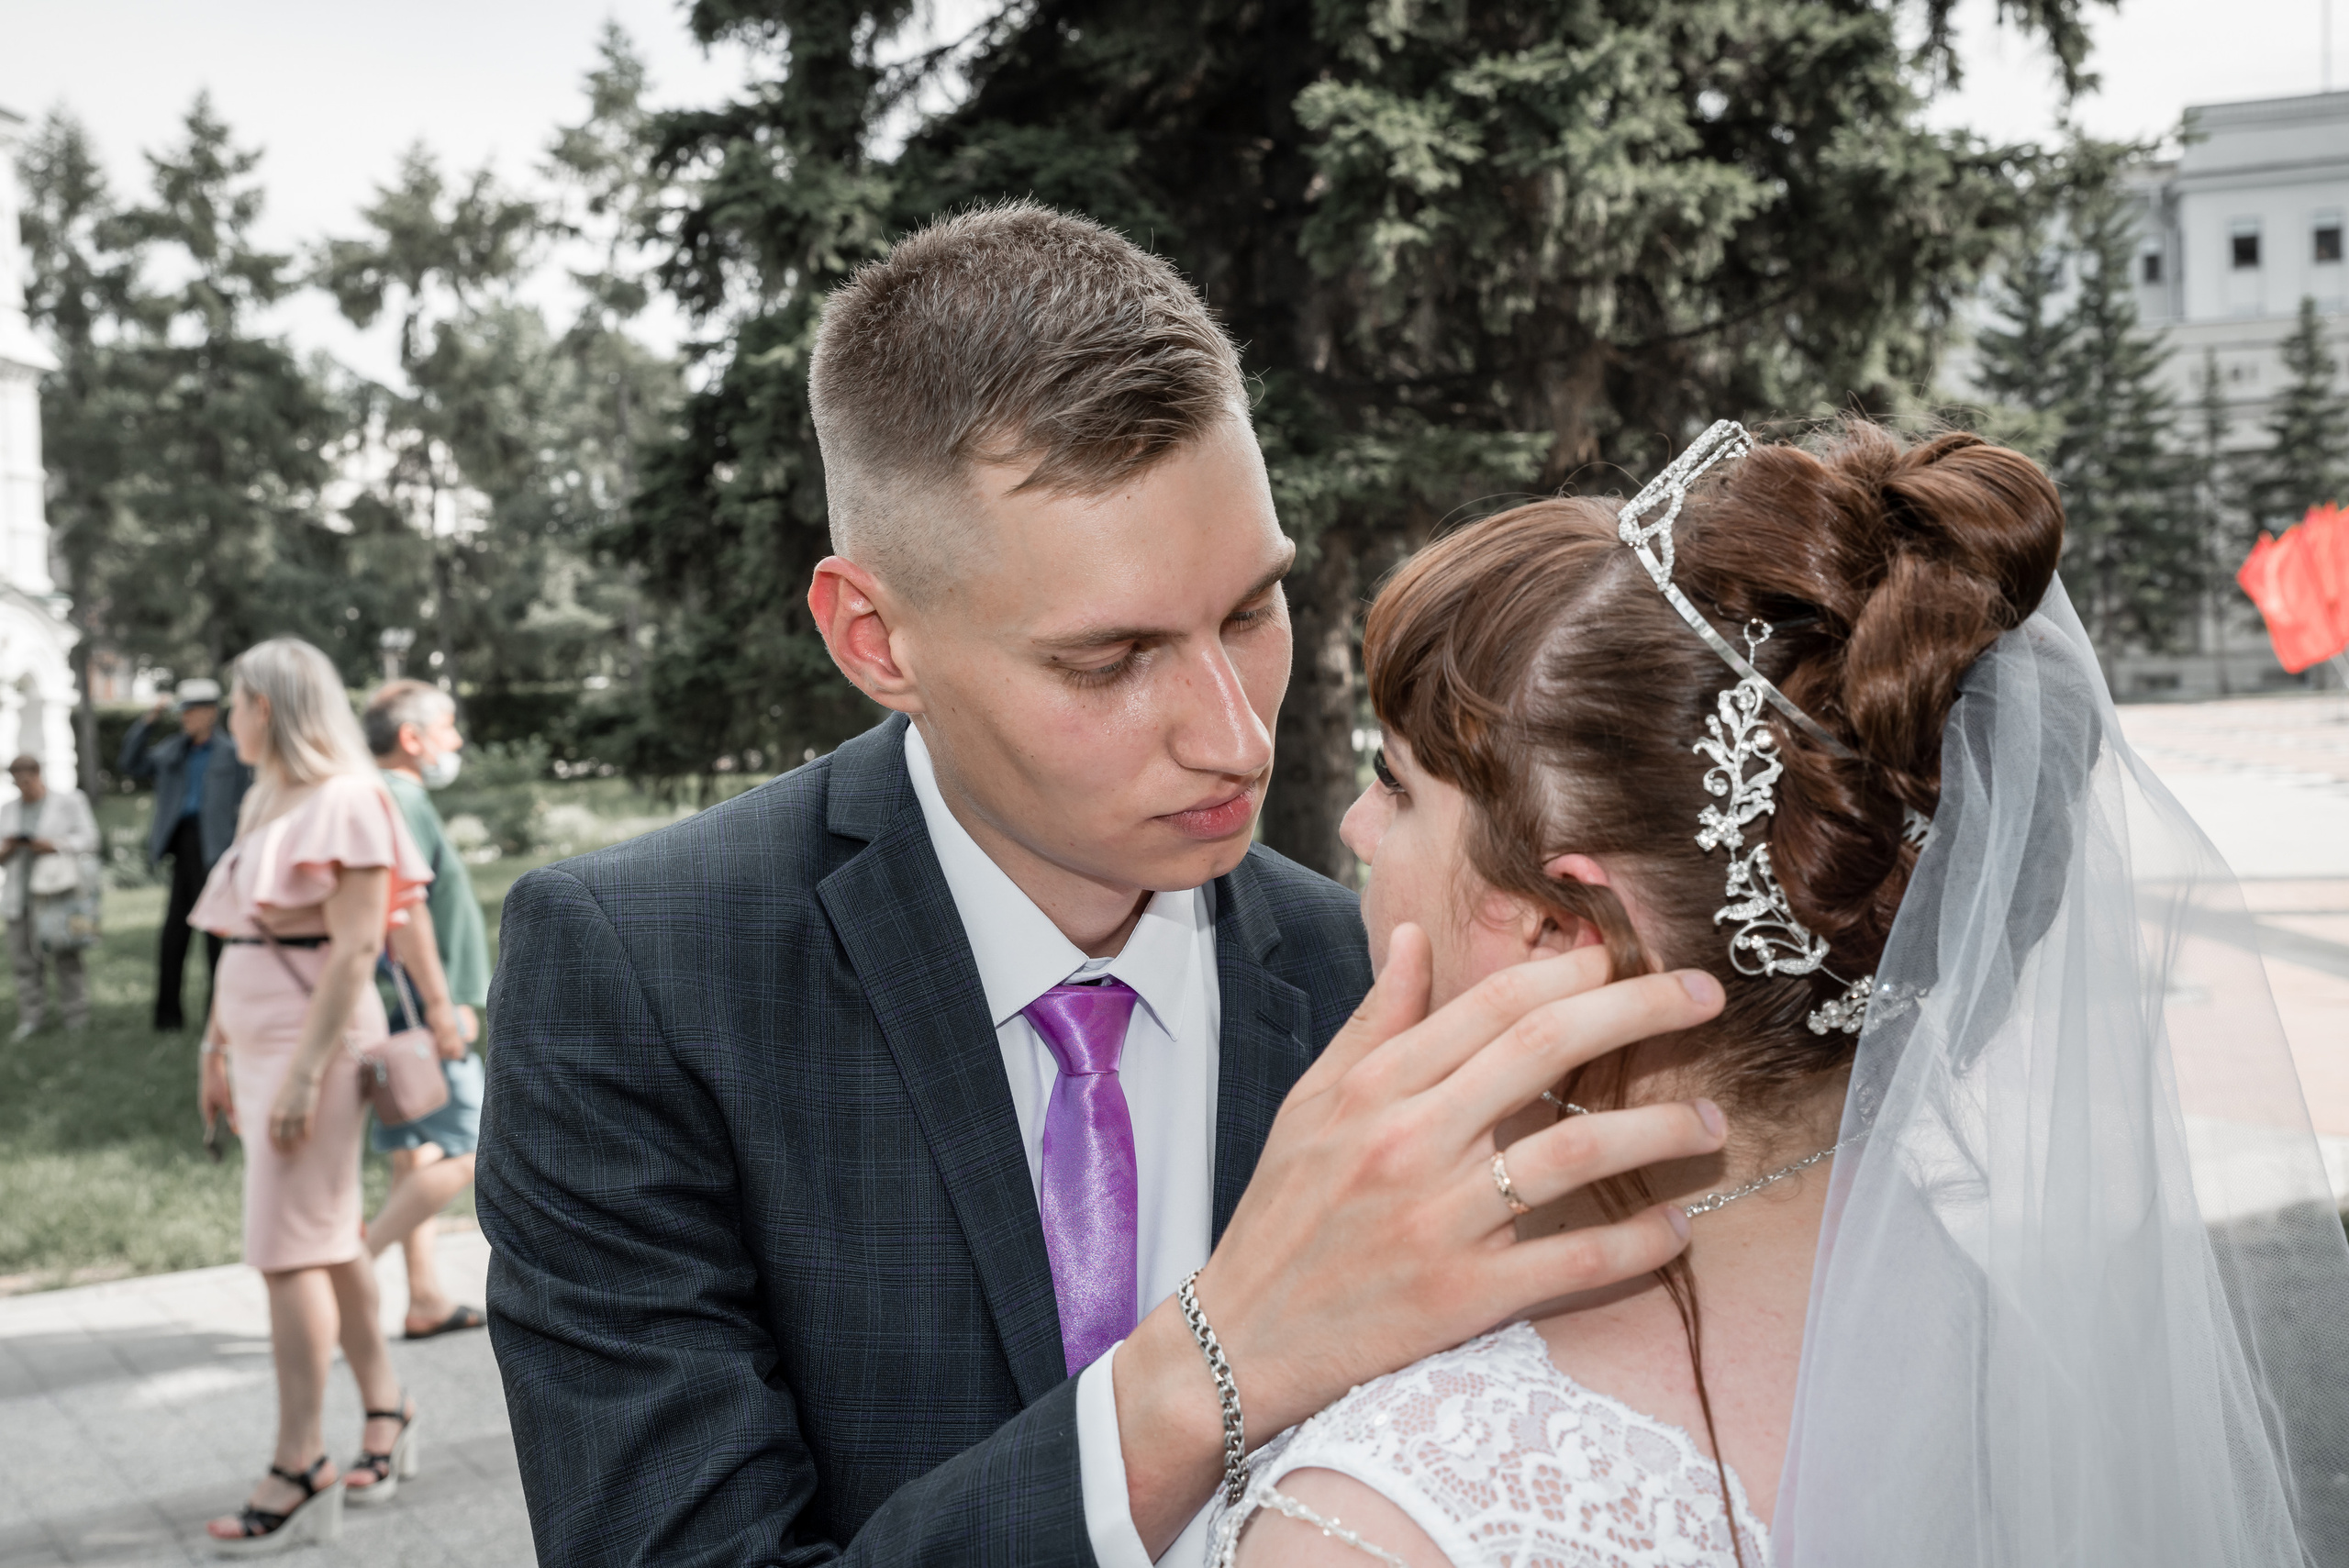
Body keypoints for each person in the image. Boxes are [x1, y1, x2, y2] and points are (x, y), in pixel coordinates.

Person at [479, 200, 1728, 1567]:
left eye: (1251, 609)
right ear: (874, 637)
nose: (1235, 736)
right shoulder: (644, 972)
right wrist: (1215, 1363)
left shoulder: (1389, 973)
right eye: (1109, 658)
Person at [1218, 422, 2349, 1565]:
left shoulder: (1388, 1513)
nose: (1354, 829)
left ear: (1566, 931)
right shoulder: (2030, 1371)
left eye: (1394, 785)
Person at [190, 639, 467, 1556]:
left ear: (269, 705)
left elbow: (356, 947)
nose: (227, 716)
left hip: (312, 1043)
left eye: (236, 700)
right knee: (326, 1237)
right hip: (260, 1036)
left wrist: (306, 1072)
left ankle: (300, 1459)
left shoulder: (351, 798)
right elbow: (244, 933)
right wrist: (214, 1042)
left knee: (286, 1250)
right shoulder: (268, 795)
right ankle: (387, 1406)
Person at [358, 679, 490, 1340]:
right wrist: (443, 1006)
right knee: (477, 1145)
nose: (456, 741)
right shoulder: (401, 797)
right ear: (411, 739)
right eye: (446, 727)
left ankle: (425, 1298)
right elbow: (400, 909)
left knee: (415, 1151)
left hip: (396, 1004)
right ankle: (354, 1263)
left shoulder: (381, 795)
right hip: (418, 1007)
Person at [121, 678, 252, 1030]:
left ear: (211, 713)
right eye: (183, 712)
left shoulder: (232, 752)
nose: (186, 719)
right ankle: (167, 1018)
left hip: (216, 849)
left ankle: (218, 1016)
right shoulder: (173, 751)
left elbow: (248, 800)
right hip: (183, 846)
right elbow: (131, 762)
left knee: (216, 938)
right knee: (173, 937)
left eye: (192, 712)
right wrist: (148, 721)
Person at [0, 755, 99, 1038]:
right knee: (24, 960)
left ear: (37, 773)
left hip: (58, 891)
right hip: (20, 894)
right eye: (17, 780)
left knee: (67, 955)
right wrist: (8, 848)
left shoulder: (70, 801)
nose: (23, 785)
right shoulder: (8, 809)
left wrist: (52, 845)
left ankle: (76, 1017)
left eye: (26, 778)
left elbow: (90, 839)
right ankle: (32, 1019)